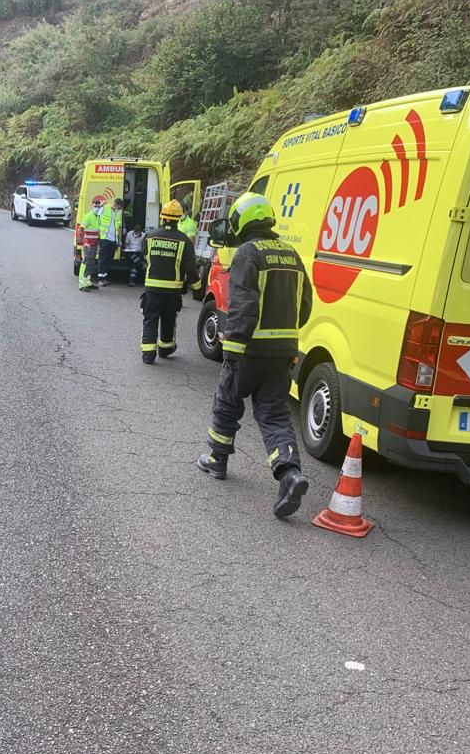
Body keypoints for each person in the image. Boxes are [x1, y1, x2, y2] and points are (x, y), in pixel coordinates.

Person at [197, 192, 313, 519]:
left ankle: (217, 461)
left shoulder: (248, 253)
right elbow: (304, 305)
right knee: (274, 413)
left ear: (241, 221)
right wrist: (286, 334)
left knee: (227, 400)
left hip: (249, 349)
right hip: (283, 352)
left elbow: (244, 305)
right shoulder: (292, 254)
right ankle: (289, 474)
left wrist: (233, 346)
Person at [139, 200, 201, 364]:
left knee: (150, 319)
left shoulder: (150, 236)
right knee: (168, 319)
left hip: (152, 289)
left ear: (162, 217)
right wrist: (197, 288)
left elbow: (143, 256)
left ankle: (148, 354)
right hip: (172, 292)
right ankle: (165, 348)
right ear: (179, 218)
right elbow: (191, 268)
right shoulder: (184, 241)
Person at [96, 198, 124, 286]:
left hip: (113, 240)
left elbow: (118, 227)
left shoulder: (117, 213)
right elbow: (97, 218)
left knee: (108, 260)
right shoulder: (105, 208)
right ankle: (100, 279)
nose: (119, 209)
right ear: (116, 205)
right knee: (102, 259)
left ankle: (105, 278)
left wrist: (118, 241)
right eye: (119, 207)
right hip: (104, 238)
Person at [78, 200, 103, 292]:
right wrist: (82, 241)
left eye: (98, 206)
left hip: (94, 244)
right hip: (88, 244)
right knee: (86, 263)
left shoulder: (98, 217)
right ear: (92, 206)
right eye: (95, 206)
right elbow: (81, 229)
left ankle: (87, 282)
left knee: (91, 263)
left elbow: (98, 231)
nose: (97, 208)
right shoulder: (88, 216)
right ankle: (82, 284)